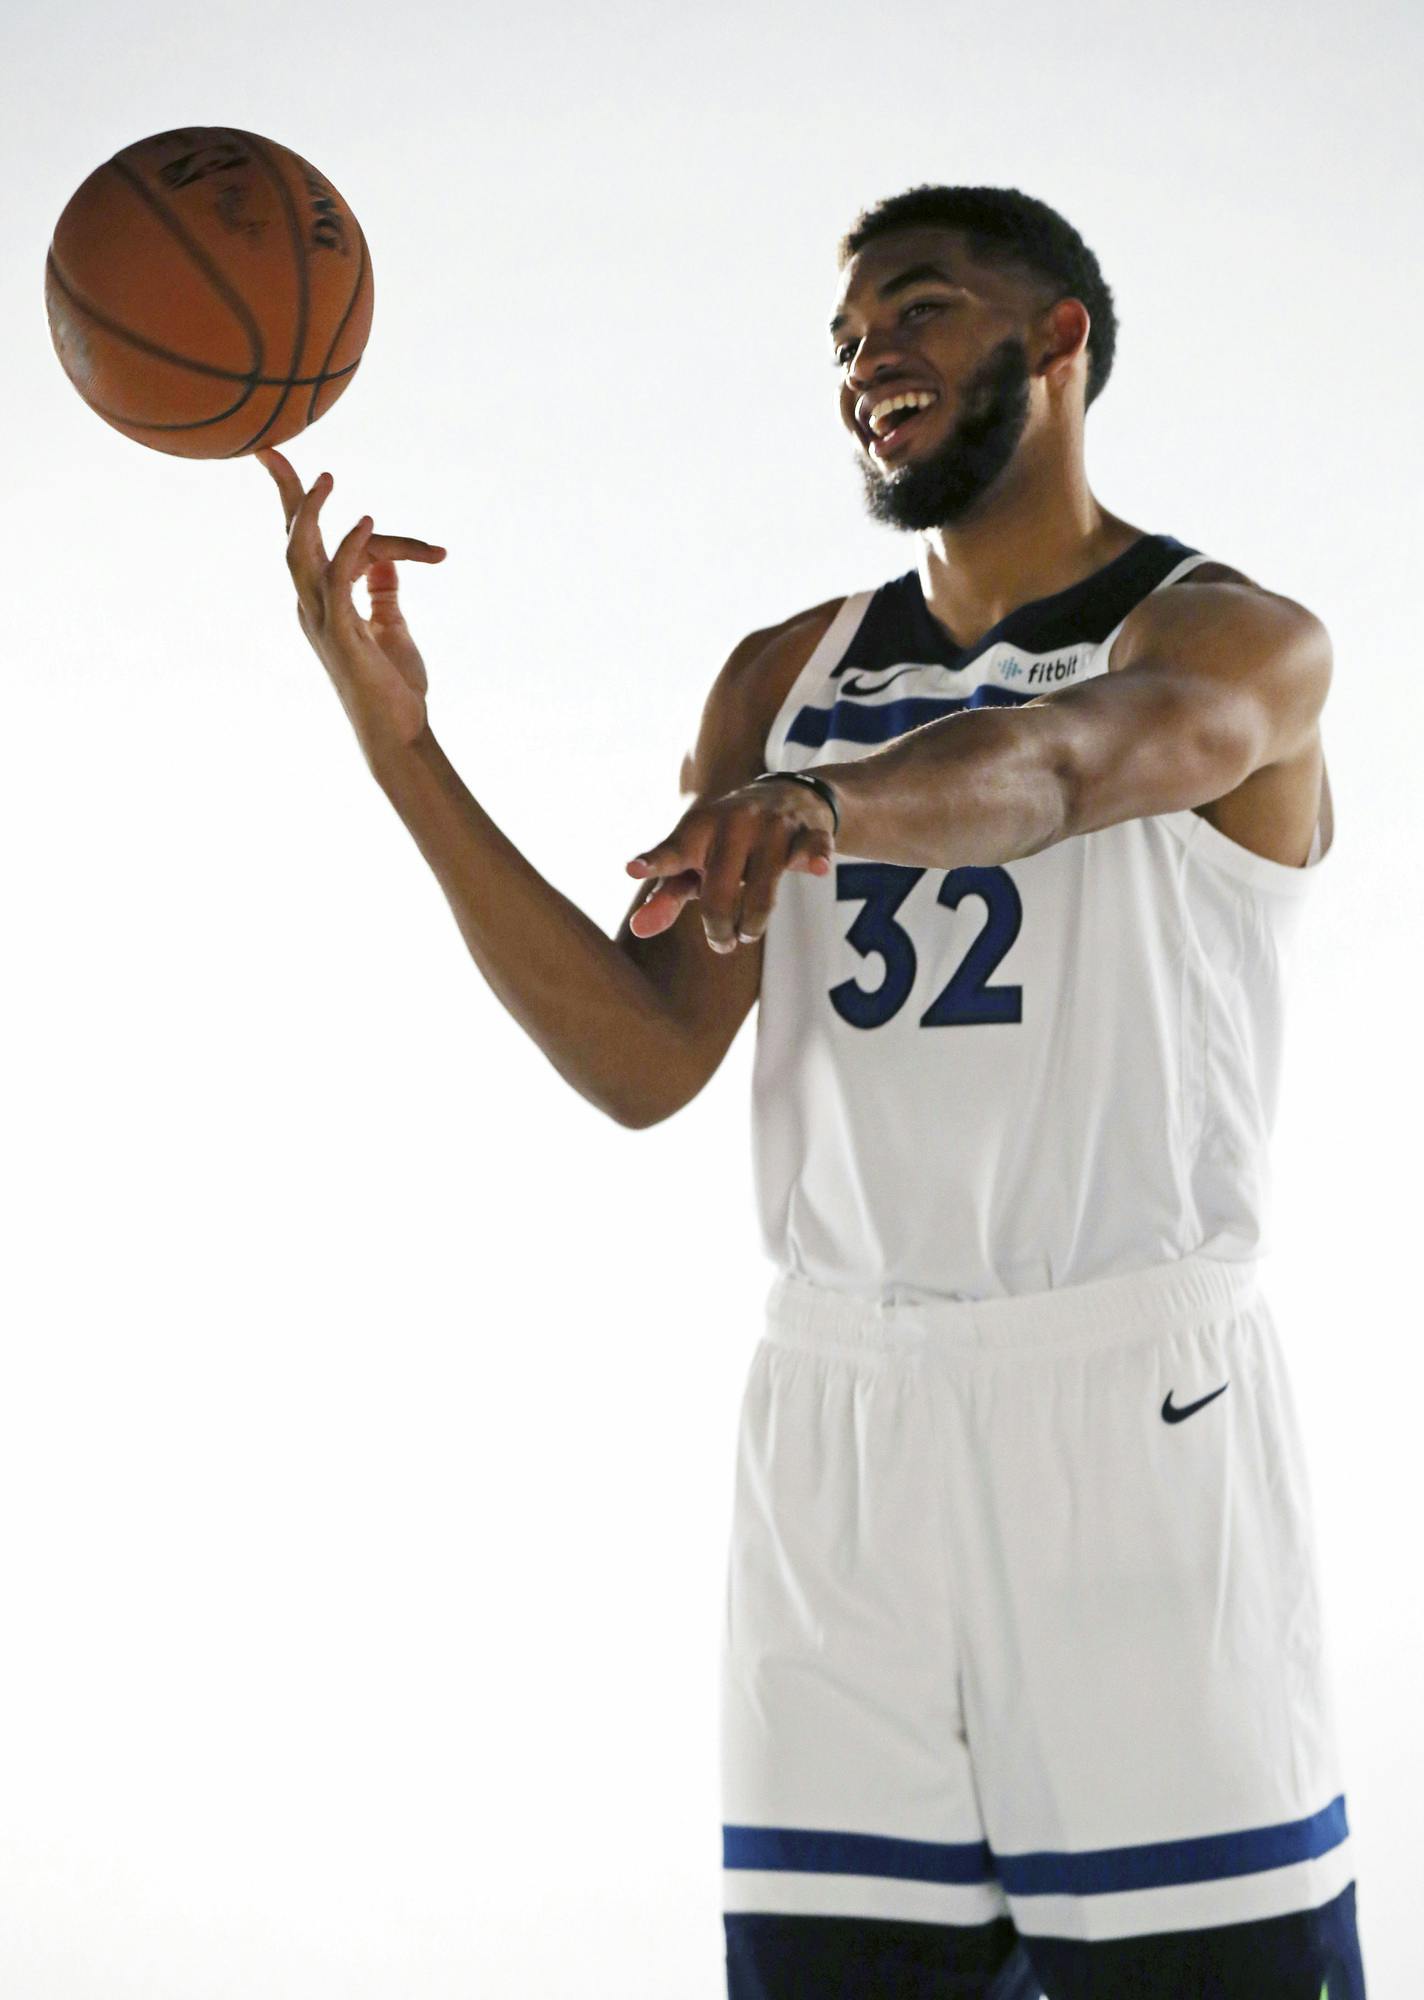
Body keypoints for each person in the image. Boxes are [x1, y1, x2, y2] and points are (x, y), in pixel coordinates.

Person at [256, 181, 1362, 2000]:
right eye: (849, 341)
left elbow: (1061, 768)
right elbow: (643, 1059)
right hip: (838, 1421)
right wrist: (406, 751)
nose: (870, 365)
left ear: (1059, 340)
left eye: (918, 315)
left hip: (1132, 1414)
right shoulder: (785, 679)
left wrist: (833, 811)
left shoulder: (1234, 644)